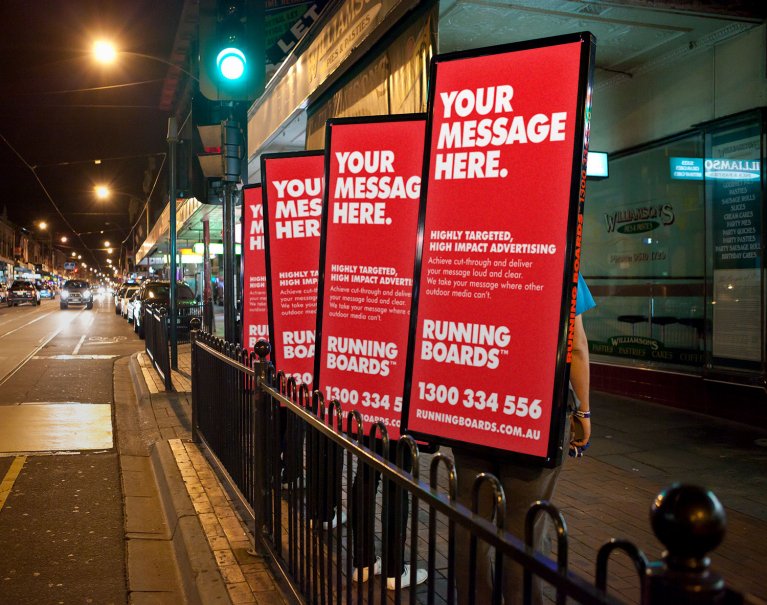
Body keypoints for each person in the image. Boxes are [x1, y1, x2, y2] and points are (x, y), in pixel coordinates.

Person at [453, 274, 595, 605]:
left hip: (469, 407)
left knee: (470, 523)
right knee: (524, 529)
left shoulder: (465, 259)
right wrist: (583, 413)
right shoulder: (559, 254)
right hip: (532, 413)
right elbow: (575, 346)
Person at [350, 439, 428, 590]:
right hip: (400, 425)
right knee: (397, 485)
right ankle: (394, 571)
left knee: (365, 477)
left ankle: (363, 563)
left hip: (374, 419)